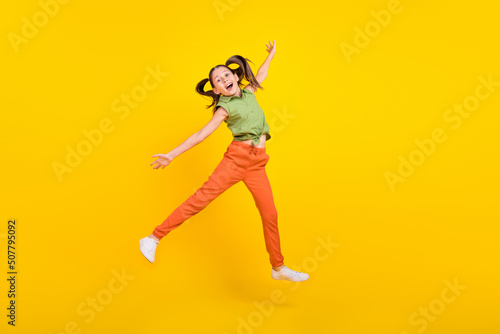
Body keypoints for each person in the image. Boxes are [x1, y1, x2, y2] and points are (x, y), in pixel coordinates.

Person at [140, 41, 309, 282]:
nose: (223, 79)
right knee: (199, 200)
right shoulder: (223, 107)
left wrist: (271, 56)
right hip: (236, 161)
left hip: (257, 163)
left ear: (234, 77)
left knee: (270, 214)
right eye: (218, 80)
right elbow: (200, 135)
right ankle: (153, 238)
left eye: (226, 74)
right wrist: (172, 154)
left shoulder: (249, 92)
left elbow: (261, 74)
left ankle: (278, 267)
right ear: (217, 90)